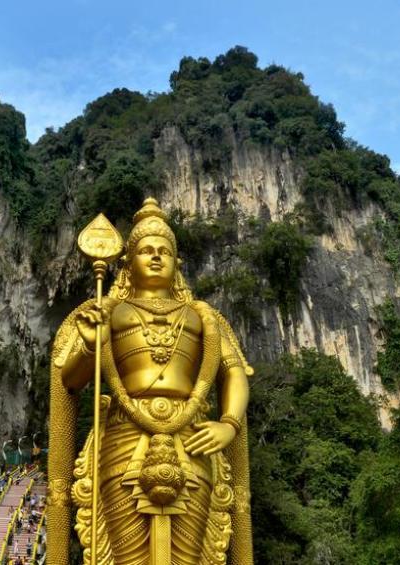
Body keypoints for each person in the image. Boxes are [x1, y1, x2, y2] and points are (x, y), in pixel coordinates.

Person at [48, 198, 253, 565]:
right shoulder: (108, 312)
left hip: (191, 439)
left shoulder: (200, 316)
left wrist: (229, 424)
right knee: (128, 554)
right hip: (125, 436)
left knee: (189, 555)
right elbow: (70, 381)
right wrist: (92, 348)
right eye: (145, 250)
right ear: (128, 264)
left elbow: (233, 371)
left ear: (177, 264)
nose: (156, 257)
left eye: (164, 251)